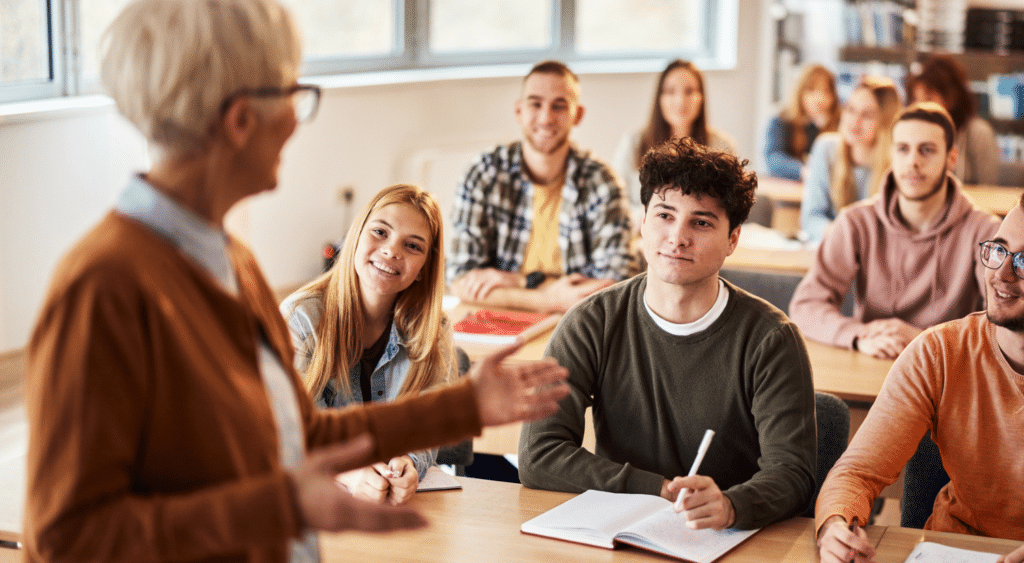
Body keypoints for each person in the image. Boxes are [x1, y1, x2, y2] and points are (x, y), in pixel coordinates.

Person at [22, 1, 570, 561]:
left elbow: (294, 434)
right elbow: (68, 539)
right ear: (240, 120)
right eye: (292, 93)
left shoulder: (234, 262)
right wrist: (282, 504)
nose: (296, 117)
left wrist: (461, 407)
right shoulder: (103, 285)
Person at [518, 137, 817, 531]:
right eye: (664, 215)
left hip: (724, 538)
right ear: (642, 221)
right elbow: (540, 455)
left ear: (733, 239)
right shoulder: (591, 322)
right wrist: (655, 489)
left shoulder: (771, 339)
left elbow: (793, 472)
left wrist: (731, 505)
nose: (677, 237)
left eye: (701, 222)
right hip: (618, 532)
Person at [814, 191, 1024, 563]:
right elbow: (857, 472)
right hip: (955, 551)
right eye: (999, 250)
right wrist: (835, 526)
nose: (1001, 274)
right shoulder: (940, 352)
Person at [282, 184, 454, 506]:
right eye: (380, 232)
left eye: (413, 246)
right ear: (355, 236)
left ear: (423, 270)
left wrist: (409, 463)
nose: (391, 251)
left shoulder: (434, 328)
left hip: (389, 510)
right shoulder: (301, 320)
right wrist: (346, 473)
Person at [790, 102, 1000, 360]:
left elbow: (1003, 325)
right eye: (903, 149)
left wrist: (923, 339)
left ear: (951, 158)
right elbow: (805, 306)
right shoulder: (856, 222)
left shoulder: (985, 232)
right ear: (891, 154)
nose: (913, 162)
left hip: (946, 368)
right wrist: (858, 335)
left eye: (927, 150)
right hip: (872, 361)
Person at [447, 60, 634, 314]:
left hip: (575, 323)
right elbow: (460, 278)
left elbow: (614, 283)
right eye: (535, 104)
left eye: (559, 106)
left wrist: (516, 281)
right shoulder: (484, 174)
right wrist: (549, 298)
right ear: (518, 111)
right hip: (495, 322)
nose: (546, 119)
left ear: (577, 115)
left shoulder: (603, 182)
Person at [613, 59, 737, 216]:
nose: (680, 101)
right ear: (660, 98)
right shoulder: (634, 142)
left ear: (702, 97)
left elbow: (731, 205)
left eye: (690, 91)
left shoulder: (722, 146)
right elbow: (615, 201)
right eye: (670, 91)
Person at [800, 76, 901, 243]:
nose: (855, 121)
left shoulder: (898, 163)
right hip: (836, 249)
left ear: (885, 122)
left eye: (867, 115)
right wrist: (846, 236)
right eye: (851, 110)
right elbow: (811, 220)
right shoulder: (825, 148)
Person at [908, 53, 1000, 185]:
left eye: (929, 99)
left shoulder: (978, 133)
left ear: (951, 98)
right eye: (915, 100)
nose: (921, 108)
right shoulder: (912, 137)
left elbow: (988, 189)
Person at [762, 63, 841, 181]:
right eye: (811, 90)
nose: (819, 98)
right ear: (800, 91)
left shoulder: (840, 122)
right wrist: (803, 171)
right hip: (788, 189)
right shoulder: (781, 120)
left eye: (826, 91)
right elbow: (773, 159)